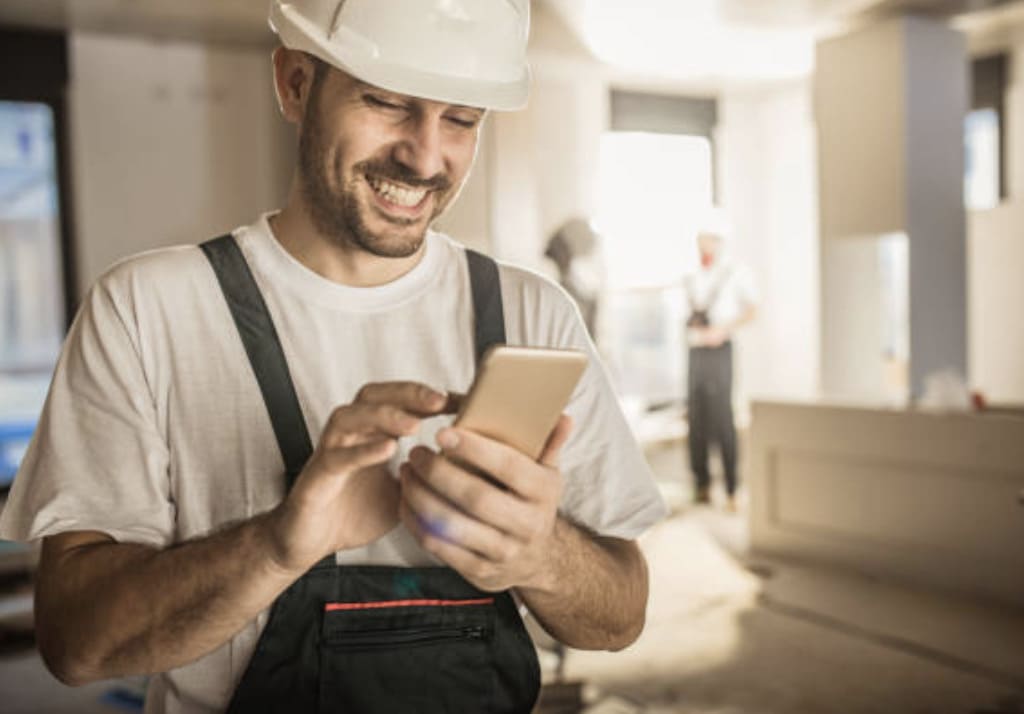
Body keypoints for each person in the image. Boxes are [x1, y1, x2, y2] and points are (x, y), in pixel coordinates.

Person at [0, 2, 667, 712]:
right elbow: (74, 643)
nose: (424, 155)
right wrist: (279, 544)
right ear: (293, 82)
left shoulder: (533, 315)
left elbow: (621, 616)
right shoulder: (147, 309)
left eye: (462, 120)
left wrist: (540, 554)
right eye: (385, 103)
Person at [684, 229, 757, 510]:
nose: (704, 243)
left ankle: (732, 488)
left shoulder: (734, 272)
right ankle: (701, 485)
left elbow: (752, 310)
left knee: (722, 418)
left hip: (720, 349)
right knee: (697, 418)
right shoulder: (690, 273)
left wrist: (722, 330)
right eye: (700, 237)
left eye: (709, 238)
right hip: (695, 349)